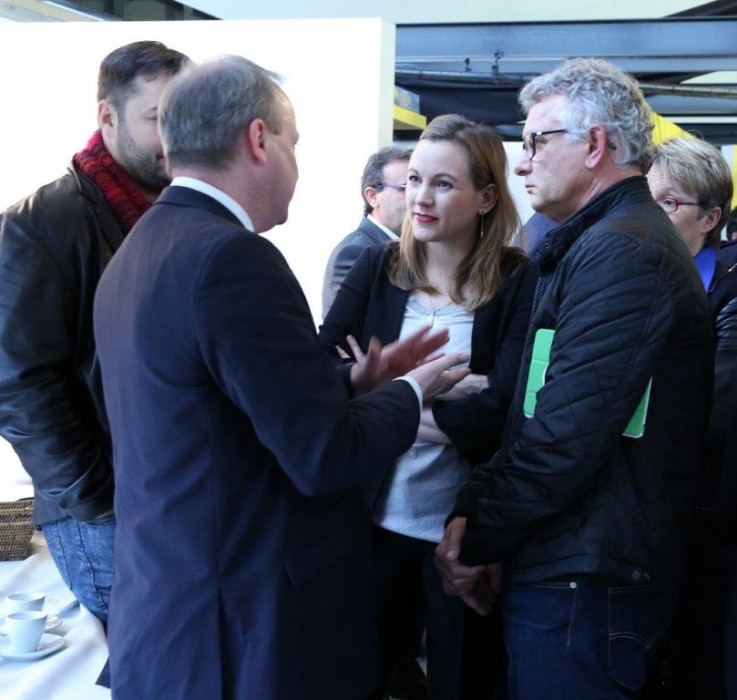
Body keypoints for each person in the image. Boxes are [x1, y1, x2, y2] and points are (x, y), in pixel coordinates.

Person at [93, 55, 469, 699]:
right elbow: (323, 455)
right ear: (259, 140)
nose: (298, 164)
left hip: (178, 612)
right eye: (294, 144)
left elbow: (214, 407)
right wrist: (413, 390)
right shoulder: (232, 258)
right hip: (243, 625)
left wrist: (350, 384)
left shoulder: (144, 245)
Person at [435, 57, 715, 700]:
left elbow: (566, 434)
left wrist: (475, 534)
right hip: (572, 564)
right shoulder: (596, 242)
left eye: (536, 141)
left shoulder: (623, 250)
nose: (523, 161)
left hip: (586, 579)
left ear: (594, 146)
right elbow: (535, 412)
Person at [320, 113, 537, 699]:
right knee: (357, 676)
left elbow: (503, 413)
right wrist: (418, 388)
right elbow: (321, 378)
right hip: (371, 521)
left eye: (443, 184)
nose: (420, 196)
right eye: (414, 180)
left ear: (487, 196)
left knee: (463, 682)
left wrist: (381, 399)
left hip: (462, 531)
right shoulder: (377, 269)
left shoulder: (519, 281)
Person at [0, 40, 189, 624]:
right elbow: (17, 382)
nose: (175, 139)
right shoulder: (41, 223)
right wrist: (98, 499)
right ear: (107, 116)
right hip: (104, 508)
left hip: (159, 491)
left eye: (184, 119)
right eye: (158, 119)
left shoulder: (170, 214)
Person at [646, 137, 737, 700]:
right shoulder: (632, 270)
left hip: (705, 509)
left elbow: (716, 406)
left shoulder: (728, 289)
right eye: (646, 198)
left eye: (669, 203)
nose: (652, 215)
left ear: (711, 217)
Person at [322, 145, 412, 317]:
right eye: (405, 188)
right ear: (372, 196)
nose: (417, 196)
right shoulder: (355, 252)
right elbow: (347, 332)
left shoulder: (414, 246)